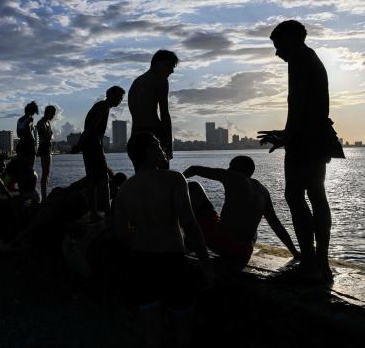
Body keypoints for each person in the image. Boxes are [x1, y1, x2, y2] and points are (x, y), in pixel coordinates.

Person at [257, 20, 345, 282]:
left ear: (291, 40)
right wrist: (286, 134)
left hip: (307, 139)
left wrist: (289, 137)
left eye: (278, 46)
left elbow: (299, 108)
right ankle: (319, 262)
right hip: (313, 136)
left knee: (297, 196)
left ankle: (311, 261)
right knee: (315, 195)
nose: (276, 53)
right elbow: (304, 108)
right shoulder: (308, 59)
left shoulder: (300, 61)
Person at [115, 132, 213, 348]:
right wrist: (206, 265)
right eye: (158, 145)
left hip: (141, 262)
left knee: (152, 334)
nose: (163, 149)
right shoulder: (174, 179)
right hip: (172, 261)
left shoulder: (124, 189)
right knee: (183, 332)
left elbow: (121, 235)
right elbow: (190, 224)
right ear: (148, 152)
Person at [183, 156, 299, 269]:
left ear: (238, 169)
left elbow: (194, 169)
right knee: (251, 228)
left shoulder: (233, 176)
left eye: (231, 166)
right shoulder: (263, 190)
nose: (228, 170)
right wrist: (294, 252)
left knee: (193, 186)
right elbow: (275, 224)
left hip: (221, 243)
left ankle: (188, 241)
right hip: (244, 250)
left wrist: (174, 183)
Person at [76, 86, 125, 221]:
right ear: (110, 95)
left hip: (90, 146)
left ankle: (94, 212)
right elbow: (92, 126)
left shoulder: (101, 106)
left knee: (94, 179)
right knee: (102, 179)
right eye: (119, 97)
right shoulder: (103, 107)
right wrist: (80, 144)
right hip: (93, 146)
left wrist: (81, 144)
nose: (120, 101)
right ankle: (105, 212)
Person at [128, 50, 178, 169]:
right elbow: (164, 114)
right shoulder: (160, 80)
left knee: (142, 179)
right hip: (154, 136)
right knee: (163, 180)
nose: (172, 70)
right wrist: (169, 147)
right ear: (158, 63)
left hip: (135, 137)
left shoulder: (136, 82)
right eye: (170, 65)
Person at [36, 105, 56, 201]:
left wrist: (49, 136)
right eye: (53, 114)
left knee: (47, 174)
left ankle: (45, 195)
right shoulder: (41, 123)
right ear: (48, 113)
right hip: (44, 149)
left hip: (48, 149)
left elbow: (49, 136)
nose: (53, 116)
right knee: (45, 174)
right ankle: (44, 197)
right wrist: (49, 136)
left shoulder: (47, 122)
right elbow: (47, 137)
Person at [16, 101, 39, 171]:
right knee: (30, 169)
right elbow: (27, 127)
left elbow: (18, 134)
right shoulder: (30, 119)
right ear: (32, 112)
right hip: (29, 146)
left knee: (22, 169)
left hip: (20, 146)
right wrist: (32, 140)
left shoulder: (19, 120)